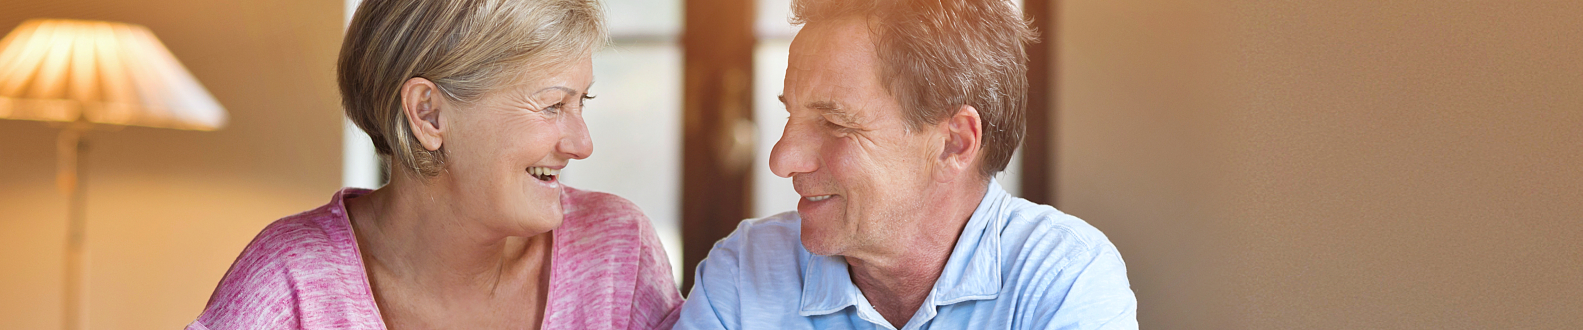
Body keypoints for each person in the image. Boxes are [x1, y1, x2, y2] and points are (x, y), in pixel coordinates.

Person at [187, 0, 681, 328]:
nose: (582, 143)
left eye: (582, 103)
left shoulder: (616, 251)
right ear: (428, 112)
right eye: (553, 105)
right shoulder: (290, 280)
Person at [674, 0, 1137, 329]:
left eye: (835, 123)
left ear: (954, 143)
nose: (781, 158)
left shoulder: (1062, 277)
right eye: (790, 113)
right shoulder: (744, 270)